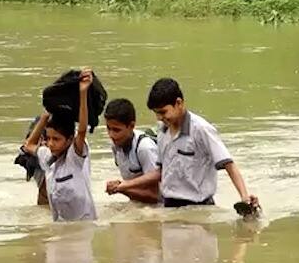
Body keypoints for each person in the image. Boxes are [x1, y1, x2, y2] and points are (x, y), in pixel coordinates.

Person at [106, 78, 259, 209]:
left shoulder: (201, 129)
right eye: (157, 113)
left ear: (179, 103)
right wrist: (124, 185)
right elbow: (160, 172)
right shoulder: (162, 131)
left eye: (163, 112)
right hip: (169, 207)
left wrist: (244, 197)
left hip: (198, 208)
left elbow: (228, 164)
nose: (159, 117)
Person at [23, 68, 97, 222]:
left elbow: (82, 129)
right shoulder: (47, 157)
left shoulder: (74, 157)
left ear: (70, 140)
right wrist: (45, 116)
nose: (50, 144)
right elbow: (29, 145)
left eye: (56, 139)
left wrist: (83, 93)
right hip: (60, 228)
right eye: (48, 138)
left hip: (83, 228)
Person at [103, 98, 160, 204]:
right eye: (108, 128)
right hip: (140, 203)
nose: (111, 135)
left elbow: (156, 197)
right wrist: (122, 187)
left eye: (116, 130)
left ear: (131, 126)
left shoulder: (145, 148)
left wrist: (121, 188)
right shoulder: (116, 145)